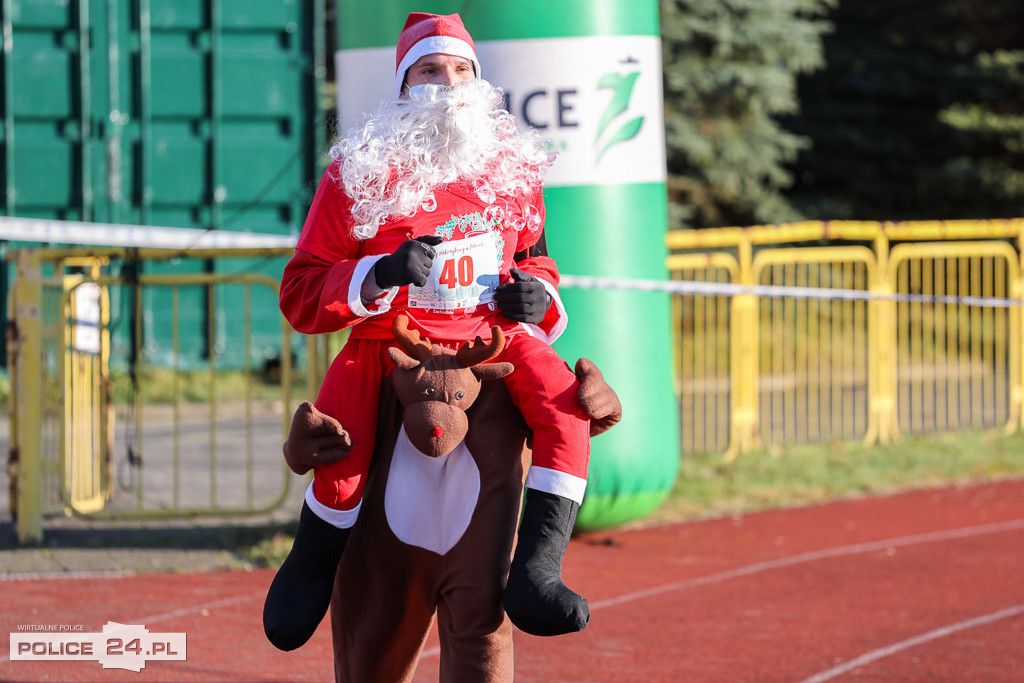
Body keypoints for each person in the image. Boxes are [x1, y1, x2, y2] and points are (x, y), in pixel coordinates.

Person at [263, 12, 592, 651]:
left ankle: (538, 570)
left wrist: (537, 293)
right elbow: (301, 291)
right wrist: (377, 271)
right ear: (403, 85)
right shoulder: (357, 174)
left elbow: (536, 259)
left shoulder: (514, 171)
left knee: (568, 409)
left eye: (462, 70)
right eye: (431, 70)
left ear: (481, 81)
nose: (449, 84)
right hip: (389, 338)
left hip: (493, 338)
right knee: (341, 438)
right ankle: (310, 563)